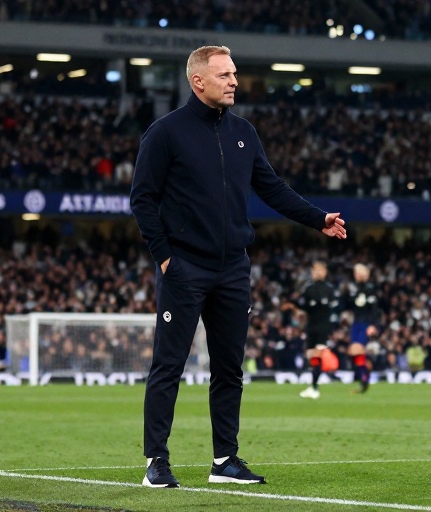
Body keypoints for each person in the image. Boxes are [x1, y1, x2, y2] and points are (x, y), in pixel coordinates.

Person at [130, 45, 347, 488]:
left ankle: (224, 460)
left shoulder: (243, 132)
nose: (234, 81)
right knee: (168, 366)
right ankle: (157, 460)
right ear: (198, 81)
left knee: (229, 369)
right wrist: (165, 257)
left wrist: (317, 218)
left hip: (232, 269)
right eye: (224, 75)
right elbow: (142, 198)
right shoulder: (166, 132)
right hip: (184, 267)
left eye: (233, 74)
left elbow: (272, 187)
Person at [297, 261, 340, 399]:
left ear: (325, 272)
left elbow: (335, 308)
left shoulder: (330, 289)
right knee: (312, 355)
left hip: (323, 327)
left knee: (319, 354)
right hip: (311, 326)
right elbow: (303, 307)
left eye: (320, 270)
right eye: (315, 270)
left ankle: (315, 387)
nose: (317, 273)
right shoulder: (308, 289)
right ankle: (314, 386)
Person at [344, 263, 381, 393]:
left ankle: (364, 380)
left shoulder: (369, 289)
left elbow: (375, 309)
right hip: (356, 323)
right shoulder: (354, 289)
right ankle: (366, 369)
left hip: (365, 324)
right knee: (353, 352)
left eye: (357, 272)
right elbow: (349, 305)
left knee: (357, 350)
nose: (355, 275)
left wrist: (373, 325)